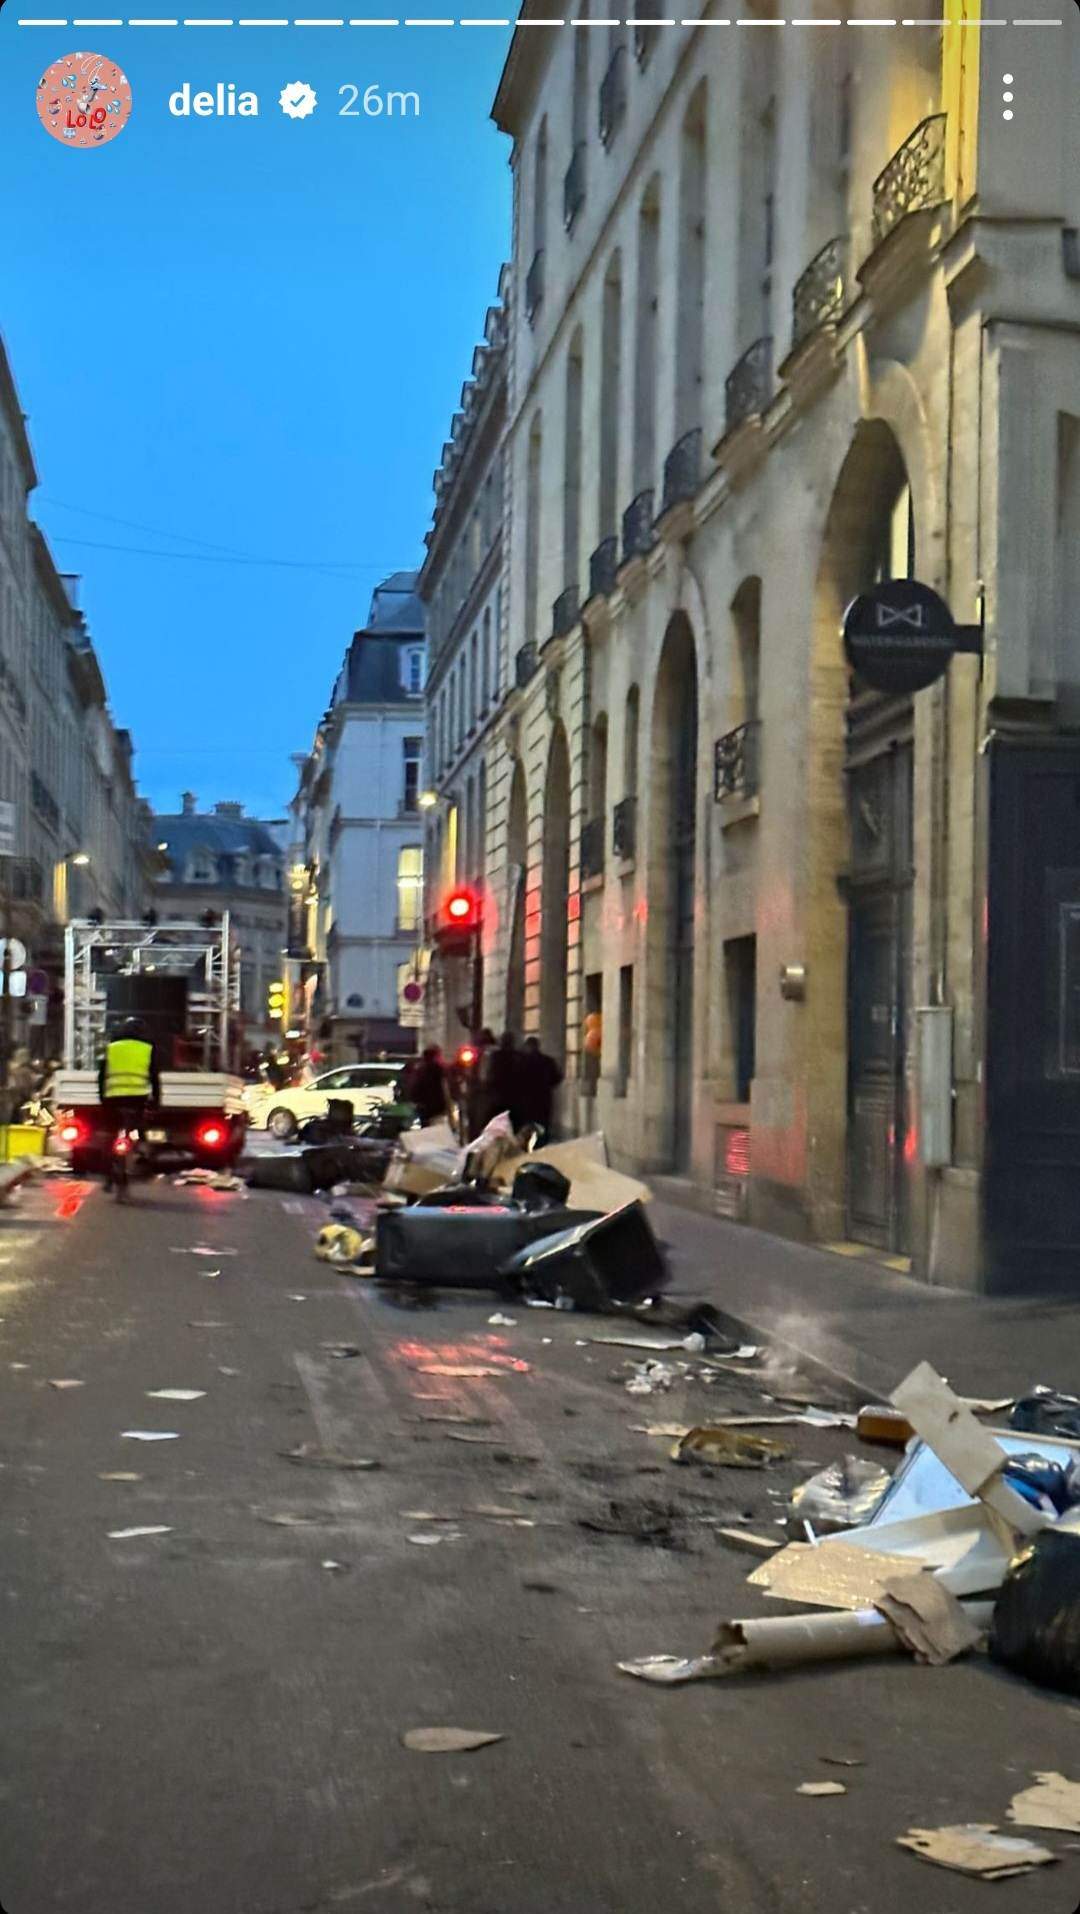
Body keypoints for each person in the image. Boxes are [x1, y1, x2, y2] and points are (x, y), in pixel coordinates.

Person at [97, 1017, 162, 1177]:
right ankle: (141, 1152)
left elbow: (102, 1075)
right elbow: (154, 1076)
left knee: (111, 1132)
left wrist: (102, 1097)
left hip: (113, 1098)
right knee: (139, 1128)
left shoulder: (111, 1048)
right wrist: (156, 1099)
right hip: (137, 1098)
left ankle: (108, 1165)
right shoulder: (147, 1048)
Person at [513, 1035, 563, 1141]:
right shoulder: (548, 1061)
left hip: (525, 1100)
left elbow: (515, 1080)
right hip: (543, 1099)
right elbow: (557, 1078)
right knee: (543, 1125)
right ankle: (541, 1144)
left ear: (527, 1046)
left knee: (526, 1126)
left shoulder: (520, 1061)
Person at [404, 1045, 451, 1126]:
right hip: (436, 1109)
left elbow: (413, 1089)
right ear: (436, 1056)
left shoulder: (419, 1070)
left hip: (423, 1108)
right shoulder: (437, 1070)